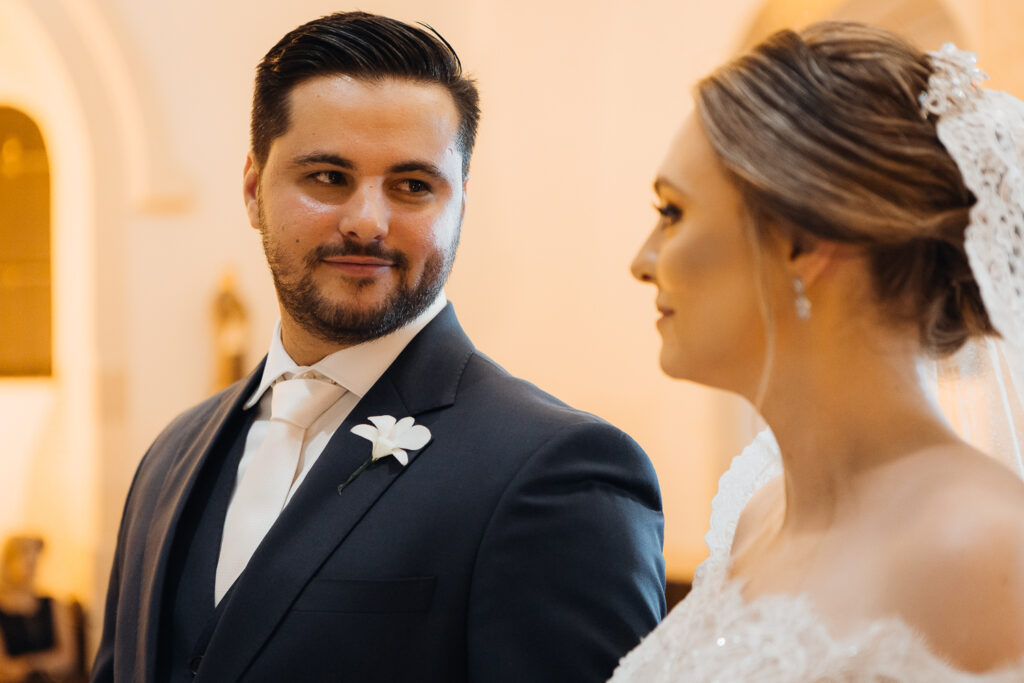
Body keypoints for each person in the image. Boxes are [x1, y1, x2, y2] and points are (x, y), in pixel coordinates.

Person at [90, 11, 665, 683]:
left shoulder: (561, 472)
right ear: (252, 189)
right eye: (328, 177)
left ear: (460, 205)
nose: (367, 222)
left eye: (412, 186)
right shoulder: (169, 457)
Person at [614, 21, 1024, 681]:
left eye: (673, 212)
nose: (642, 261)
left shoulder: (986, 544)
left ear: (802, 241)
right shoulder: (757, 519)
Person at [0, 537, 76, 683]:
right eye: (24, 556)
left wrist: (29, 665)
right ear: (8, 562)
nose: (31, 564)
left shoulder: (53, 604)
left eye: (34, 559)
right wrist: (47, 661)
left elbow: (68, 658)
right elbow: (5, 668)